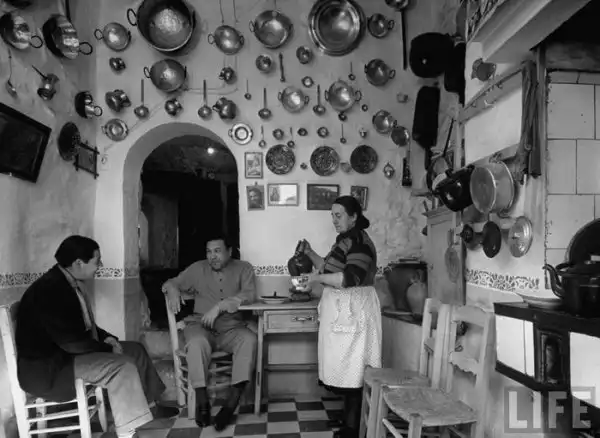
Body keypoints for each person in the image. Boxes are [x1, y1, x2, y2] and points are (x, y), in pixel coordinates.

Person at [15, 235, 179, 438]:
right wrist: (107, 348)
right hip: (51, 366)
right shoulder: (51, 290)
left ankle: (150, 406)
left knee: (134, 349)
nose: (100, 266)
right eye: (97, 261)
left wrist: (108, 338)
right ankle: (130, 432)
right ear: (78, 263)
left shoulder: (68, 283)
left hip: (67, 355)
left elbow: (84, 326)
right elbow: (70, 342)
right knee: (122, 366)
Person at [301, 195, 381, 438]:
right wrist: (310, 253)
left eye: (339, 215)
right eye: (332, 216)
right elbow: (329, 268)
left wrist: (315, 278)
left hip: (355, 310)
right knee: (346, 367)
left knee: (354, 368)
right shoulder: (345, 240)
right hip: (344, 310)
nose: (334, 220)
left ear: (354, 217)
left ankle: (352, 429)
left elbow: (350, 278)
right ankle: (349, 420)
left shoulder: (359, 242)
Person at [162, 234, 257, 430]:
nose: (212, 256)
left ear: (229, 251)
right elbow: (171, 282)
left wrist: (221, 306)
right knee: (196, 344)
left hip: (231, 327)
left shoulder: (244, 268)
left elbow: (249, 294)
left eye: (217, 251)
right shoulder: (198, 268)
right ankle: (202, 402)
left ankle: (231, 405)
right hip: (201, 326)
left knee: (249, 340)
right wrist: (173, 289)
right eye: (209, 251)